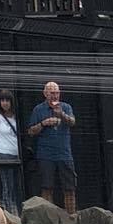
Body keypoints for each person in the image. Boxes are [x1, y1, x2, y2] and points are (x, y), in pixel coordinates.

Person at [26, 80, 76, 211]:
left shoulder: (66, 107)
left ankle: (71, 215)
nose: (55, 96)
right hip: (46, 154)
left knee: (69, 187)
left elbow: (72, 122)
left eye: (57, 93)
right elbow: (30, 131)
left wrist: (61, 115)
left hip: (64, 154)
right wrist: (44, 123)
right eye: (52, 93)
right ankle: (49, 216)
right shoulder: (38, 109)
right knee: (47, 187)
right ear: (45, 94)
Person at [0, 90, 22, 214]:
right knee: (8, 186)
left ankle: (19, 211)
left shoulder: (17, 115)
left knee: (18, 186)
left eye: (7, 100)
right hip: (3, 154)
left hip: (17, 154)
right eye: (2, 100)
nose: (5, 103)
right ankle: (10, 213)